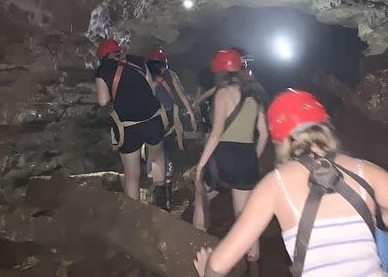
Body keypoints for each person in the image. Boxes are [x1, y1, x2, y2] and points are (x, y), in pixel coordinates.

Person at [193, 89, 388, 277]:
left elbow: (219, 265)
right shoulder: (364, 169)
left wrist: (207, 272)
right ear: (325, 126)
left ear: (280, 141)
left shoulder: (274, 185)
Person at [193, 48, 269, 267]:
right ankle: (252, 263)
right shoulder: (256, 93)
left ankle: (199, 247)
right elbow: (263, 134)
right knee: (245, 216)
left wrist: (201, 165)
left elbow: (216, 133)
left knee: (201, 196)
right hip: (246, 157)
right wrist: (252, 157)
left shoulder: (222, 93)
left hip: (223, 158)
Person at [93, 38, 169, 209]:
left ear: (102, 56)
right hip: (152, 118)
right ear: (118, 51)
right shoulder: (138, 61)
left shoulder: (102, 71)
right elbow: (150, 87)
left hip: (128, 126)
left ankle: (135, 213)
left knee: (132, 174)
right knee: (157, 159)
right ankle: (161, 201)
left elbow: (103, 100)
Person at [145, 47, 198, 210]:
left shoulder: (146, 76)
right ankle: (166, 193)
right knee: (166, 152)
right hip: (169, 119)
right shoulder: (171, 75)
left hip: (153, 117)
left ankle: (158, 194)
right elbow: (181, 94)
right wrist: (190, 114)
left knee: (154, 154)